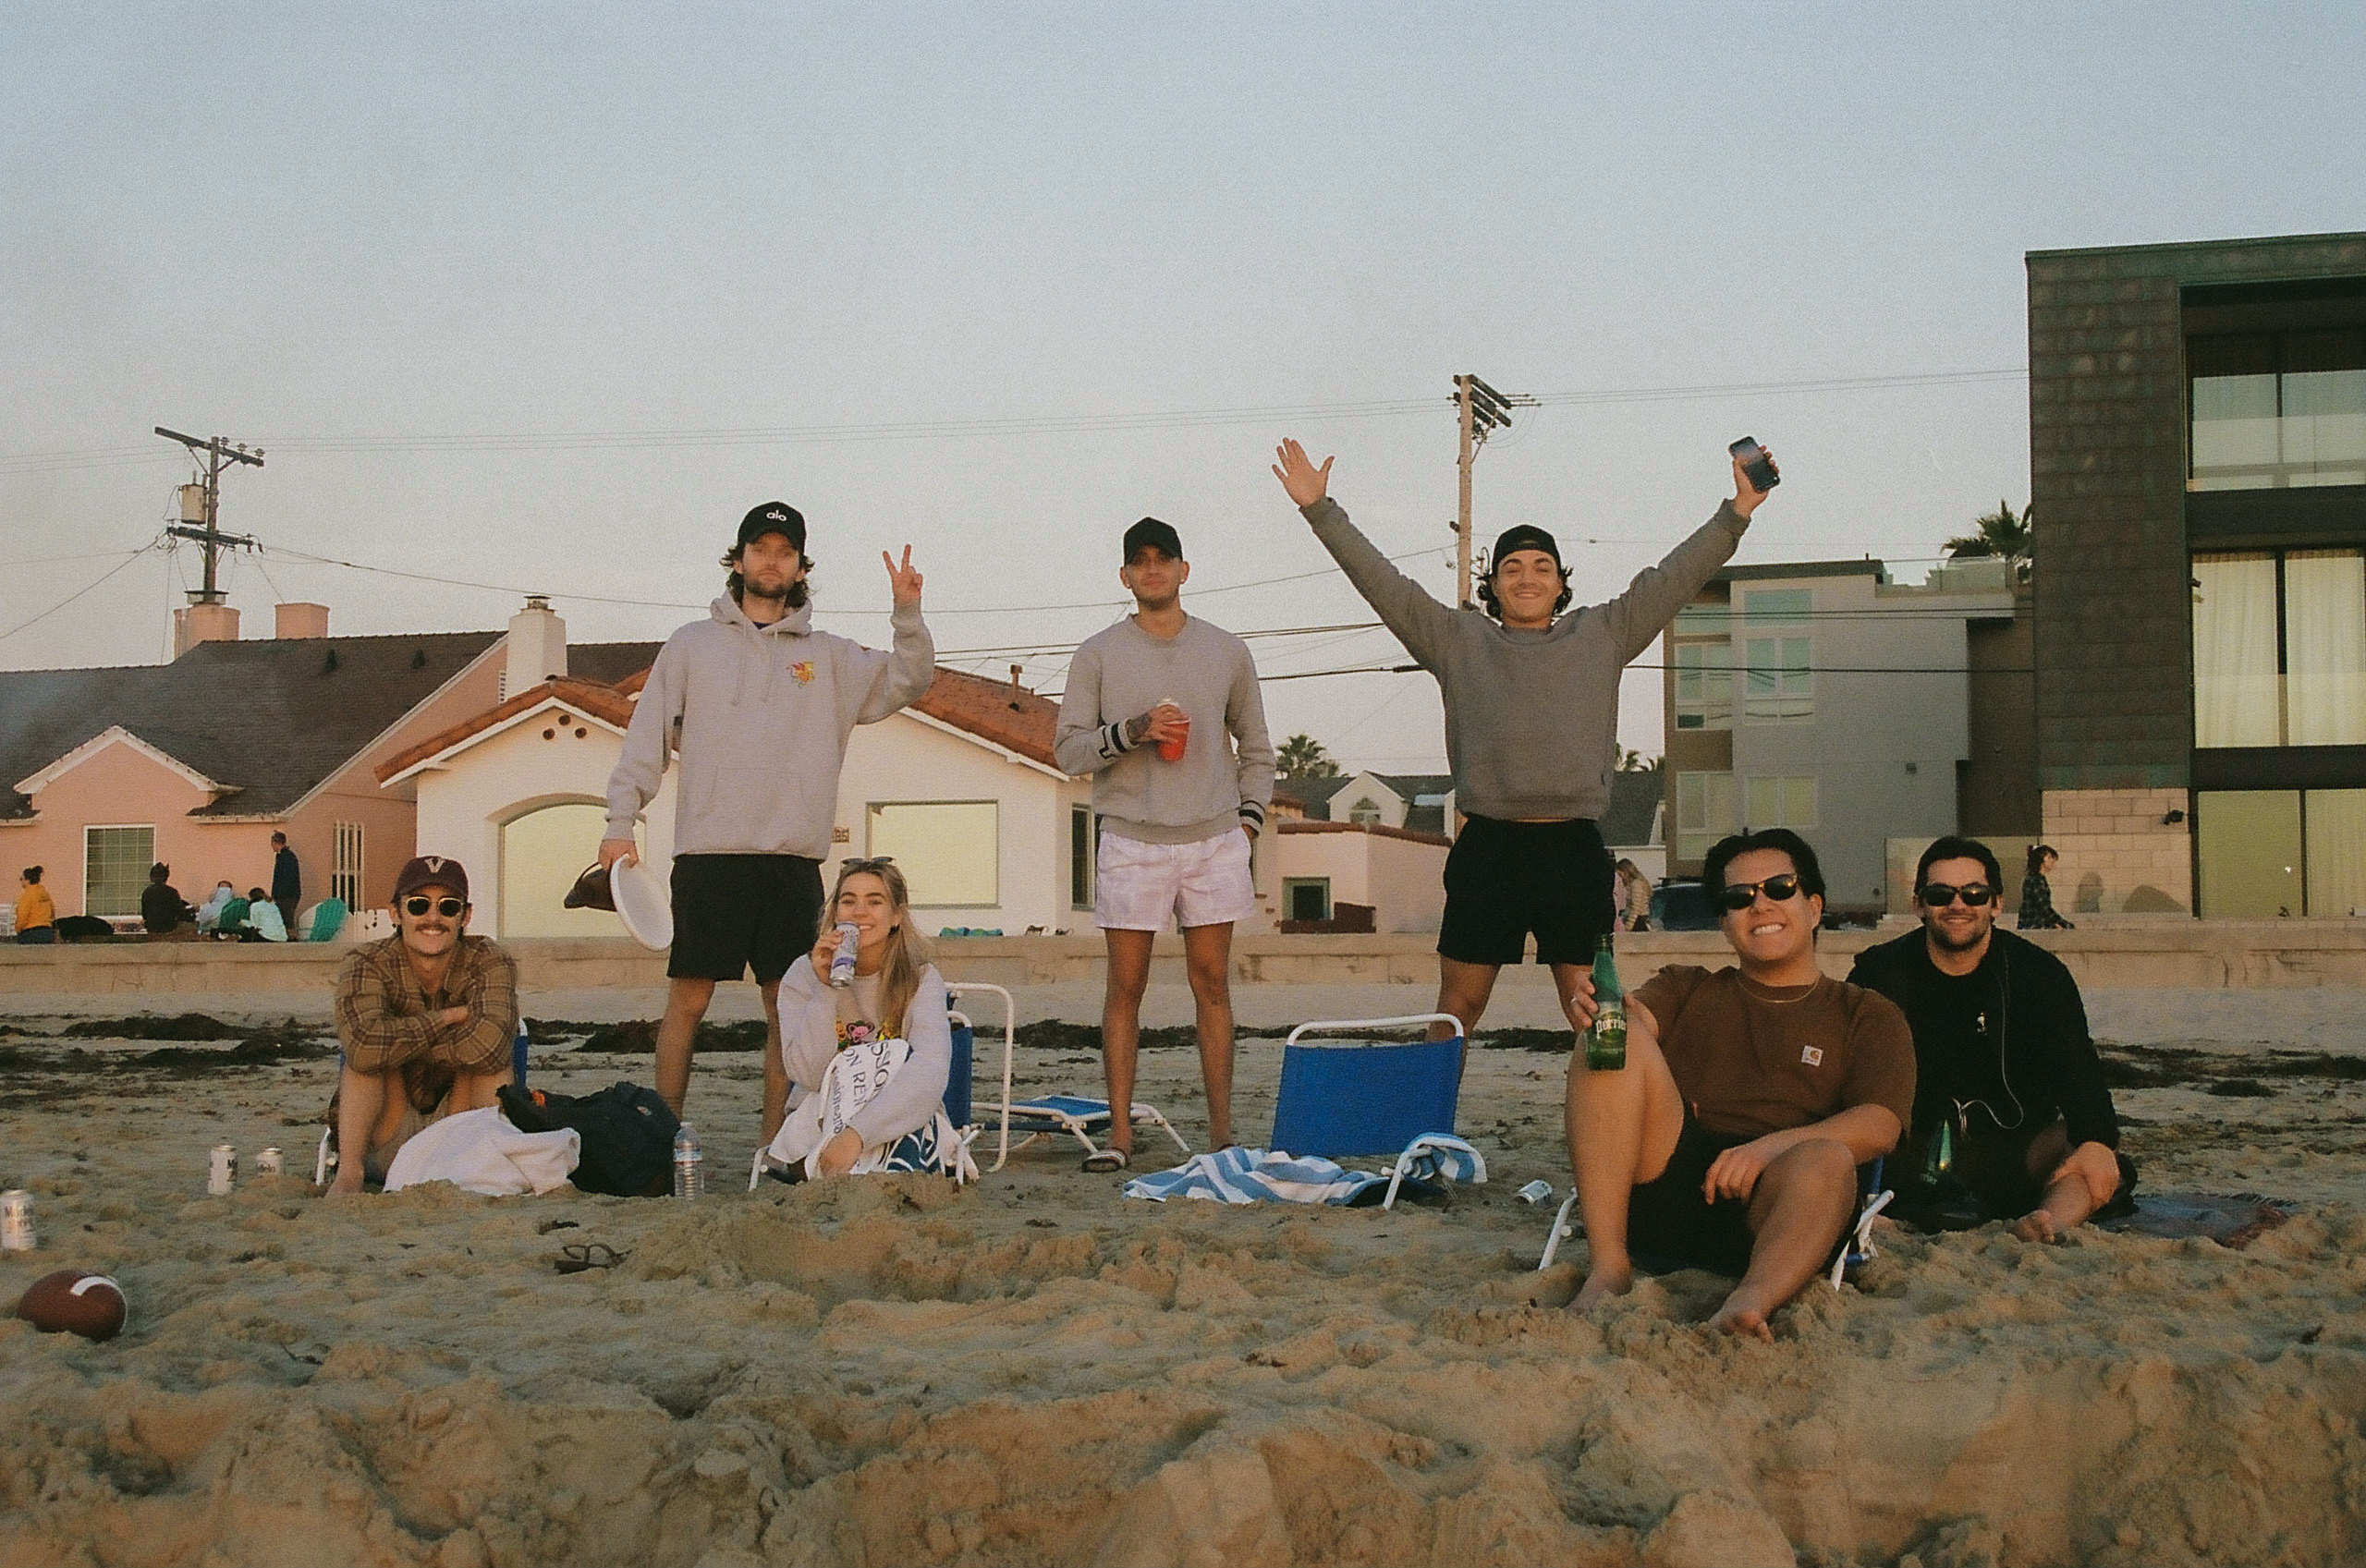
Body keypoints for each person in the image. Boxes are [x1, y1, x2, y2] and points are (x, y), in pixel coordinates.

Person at [1273, 437, 1774, 1049]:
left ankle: (1608, 1134)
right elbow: (1385, 584)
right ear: (1493, 583)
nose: (1527, 576)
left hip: (1573, 848)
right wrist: (1321, 509)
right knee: (1457, 1007)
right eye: (1512, 566)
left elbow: (1674, 577)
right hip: (1489, 845)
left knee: (1594, 1008)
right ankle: (1434, 1135)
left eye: (1541, 566)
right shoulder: (1456, 639)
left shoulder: (1605, 632)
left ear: (1562, 582)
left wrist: (1737, 511)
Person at [600, 501, 934, 1130]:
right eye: (761, 548)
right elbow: (645, 740)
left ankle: (776, 1142)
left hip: (791, 863)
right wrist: (620, 824)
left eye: (785, 551)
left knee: (788, 1005)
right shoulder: (690, 645)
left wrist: (907, 613)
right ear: (740, 557)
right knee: (688, 1001)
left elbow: (909, 679)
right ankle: (664, 1139)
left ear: (800, 565)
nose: (771, 560)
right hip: (708, 857)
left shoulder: (831, 656)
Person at [1565, 829, 1912, 1340]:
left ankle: (1747, 1303)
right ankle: (1609, 1267)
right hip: (1669, 1181)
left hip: (1785, 1203)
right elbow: (1636, 1022)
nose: (1760, 905)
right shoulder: (1687, 986)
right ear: (1724, 922)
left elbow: (1881, 1124)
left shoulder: (1866, 1013)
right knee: (1609, 1036)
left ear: (1814, 907)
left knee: (1828, 1156)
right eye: (1738, 897)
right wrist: (1605, 1010)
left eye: (1779, 887)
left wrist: (1768, 1149)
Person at [1054, 517, 1276, 1170]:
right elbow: (1067, 749)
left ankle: (1222, 1135)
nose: (1153, 569)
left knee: (1212, 983)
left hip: (1213, 838)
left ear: (1185, 569)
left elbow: (1257, 748)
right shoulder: (1096, 653)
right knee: (1127, 985)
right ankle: (1120, 1134)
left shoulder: (1227, 650)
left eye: (1164, 558)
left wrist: (1250, 822)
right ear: (1124, 575)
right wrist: (1132, 730)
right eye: (1140, 560)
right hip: (1130, 837)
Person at [1848, 835, 2132, 1243]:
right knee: (1840, 1143)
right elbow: (1849, 1075)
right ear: (1919, 905)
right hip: (1911, 1150)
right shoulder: (1880, 971)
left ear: (1996, 903)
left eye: (1974, 894)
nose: (1958, 905)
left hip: (2016, 1148)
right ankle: (1876, 1215)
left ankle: (2046, 1224)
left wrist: (2096, 1142)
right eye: (1941, 893)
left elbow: (2080, 1075)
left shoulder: (2038, 975)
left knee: (2094, 1153)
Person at [325, 855, 519, 1195]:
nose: (433, 917)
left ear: (465, 915)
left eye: (447, 907)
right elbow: (364, 1048)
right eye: (418, 905)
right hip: (389, 1125)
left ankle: (492, 1168)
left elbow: (490, 1048)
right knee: (363, 1063)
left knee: (493, 1063)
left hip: (461, 1128)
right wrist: (447, 1019)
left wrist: (399, 1037)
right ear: (396, 913)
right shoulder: (367, 962)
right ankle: (349, 1175)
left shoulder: (490, 959)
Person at [770, 858, 953, 1178]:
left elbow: (929, 1071)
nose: (859, 912)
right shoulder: (804, 974)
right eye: (848, 901)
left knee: (898, 1063)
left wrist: (858, 1133)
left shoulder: (920, 978)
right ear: (835, 913)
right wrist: (826, 990)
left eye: (875, 901)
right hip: (823, 1111)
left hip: (895, 1115)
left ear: (896, 916)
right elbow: (809, 1075)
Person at [2017, 844, 2074, 930]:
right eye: (2049, 858)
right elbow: (2044, 907)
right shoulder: (2036, 880)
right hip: (2033, 926)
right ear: (2041, 860)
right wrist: (2064, 924)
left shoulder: (2036, 878)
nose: (2053, 861)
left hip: (2032, 925)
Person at [140, 863, 195, 936]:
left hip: (152, 928)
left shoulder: (146, 892)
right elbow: (180, 912)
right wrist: (193, 909)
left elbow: (145, 914)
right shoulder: (171, 892)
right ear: (166, 877)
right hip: (168, 928)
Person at [14, 867, 55, 945]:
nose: (21, 881)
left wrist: (18, 929)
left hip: (31, 933)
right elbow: (52, 912)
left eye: (21, 879)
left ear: (27, 880)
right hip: (47, 932)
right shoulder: (45, 894)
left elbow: (23, 916)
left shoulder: (27, 895)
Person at [270, 832, 301, 926]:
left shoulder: (287, 857)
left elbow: (287, 878)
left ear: (276, 843)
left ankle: (291, 938)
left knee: (287, 920)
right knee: (285, 919)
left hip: (287, 896)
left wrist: (279, 894)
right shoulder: (284, 856)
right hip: (287, 895)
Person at [1616, 858, 1654, 932]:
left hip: (1638, 920)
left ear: (1626, 872)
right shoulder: (1630, 884)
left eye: (1620, 874)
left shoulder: (1637, 884)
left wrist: (1629, 926)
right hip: (1637, 919)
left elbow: (1636, 908)